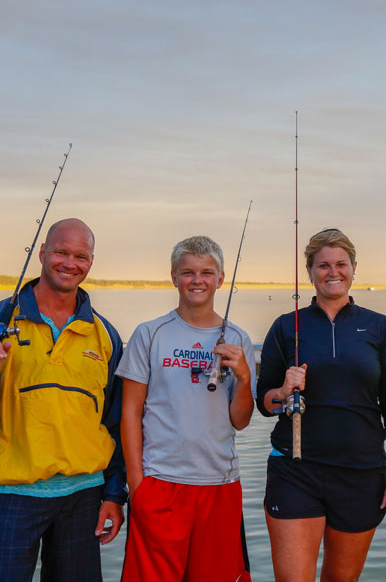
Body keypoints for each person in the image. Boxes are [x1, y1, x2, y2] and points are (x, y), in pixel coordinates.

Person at [0, 218, 126, 581]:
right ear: (41, 253)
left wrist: (114, 495)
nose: (70, 263)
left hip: (85, 496)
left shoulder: (105, 334)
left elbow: (114, 423)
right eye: (61, 252)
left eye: (80, 256)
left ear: (90, 262)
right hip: (13, 495)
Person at [256, 228, 386, 582]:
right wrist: (283, 390)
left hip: (361, 473)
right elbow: (264, 402)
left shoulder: (379, 327)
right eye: (323, 265)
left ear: (354, 268)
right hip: (295, 470)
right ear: (309, 270)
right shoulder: (286, 326)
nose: (333, 272)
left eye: (341, 264)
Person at [116, 236, 255, 581]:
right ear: (174, 277)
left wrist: (244, 377)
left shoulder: (238, 339)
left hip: (220, 484)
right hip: (160, 482)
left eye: (207, 272)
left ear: (221, 279)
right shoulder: (150, 333)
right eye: (188, 272)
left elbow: (240, 420)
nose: (197, 280)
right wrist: (137, 485)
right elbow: (130, 412)